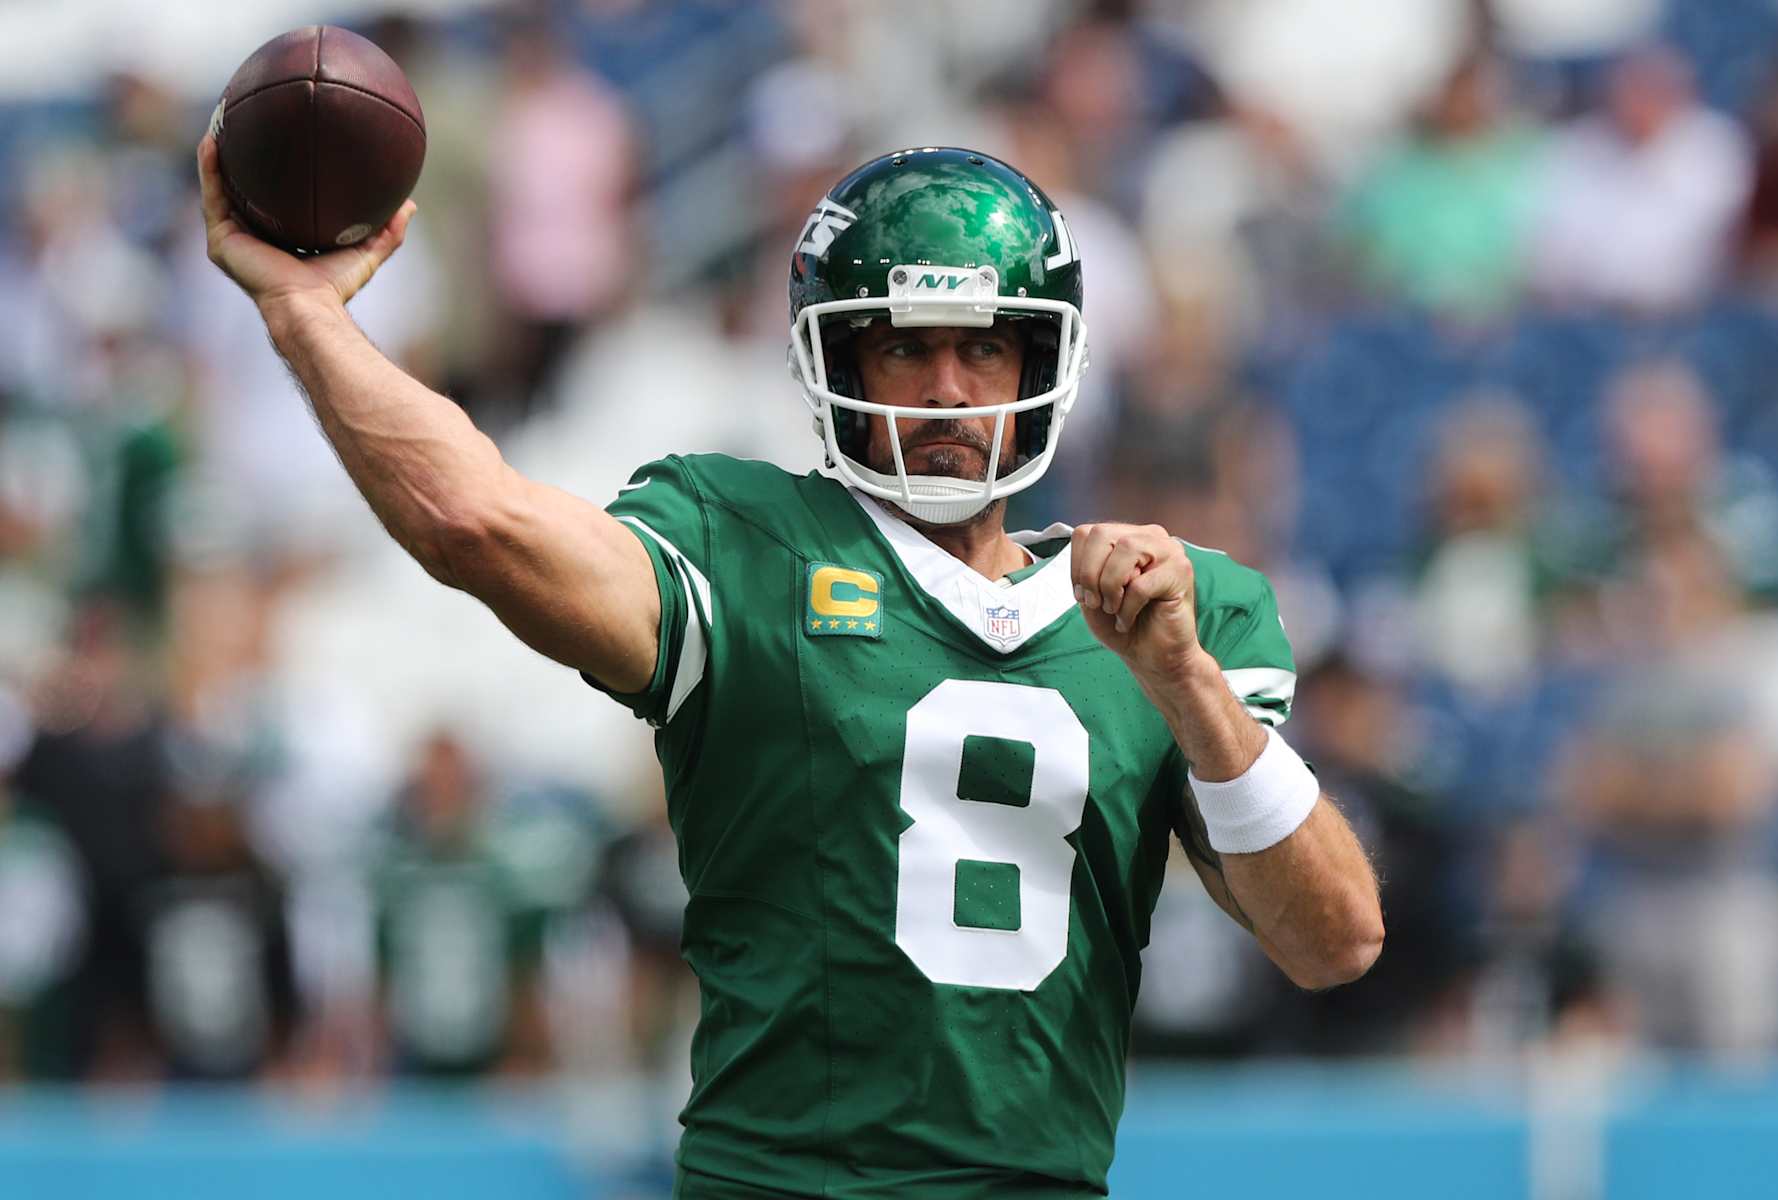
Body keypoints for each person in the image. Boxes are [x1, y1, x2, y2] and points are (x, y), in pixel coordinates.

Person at [197, 137, 1382, 1197]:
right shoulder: (747, 544)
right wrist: (303, 314)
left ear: (1043, 362)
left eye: (985, 345)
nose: (949, 389)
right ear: (840, 362)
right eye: (907, 347)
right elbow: (476, 522)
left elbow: (1334, 940)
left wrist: (1187, 685)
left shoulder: (1179, 615)